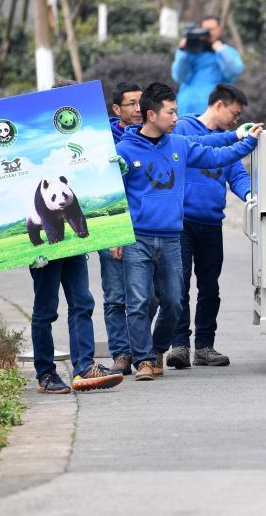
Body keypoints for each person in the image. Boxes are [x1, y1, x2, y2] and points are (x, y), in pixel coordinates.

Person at [115, 82, 262, 381]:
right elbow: (114, 197)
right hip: (137, 238)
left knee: (173, 302)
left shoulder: (179, 144)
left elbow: (215, 155)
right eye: (170, 112)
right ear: (152, 115)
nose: (175, 117)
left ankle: (158, 349)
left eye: (176, 112)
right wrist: (116, 237)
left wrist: (245, 140)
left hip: (171, 236)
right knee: (139, 302)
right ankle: (144, 360)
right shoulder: (124, 151)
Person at [29, 80, 124, 394]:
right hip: (44, 250)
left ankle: (85, 366)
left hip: (73, 247)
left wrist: (115, 166)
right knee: (46, 309)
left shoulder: (82, 141)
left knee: (82, 302)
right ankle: (45, 373)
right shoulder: (35, 142)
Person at [168, 84, 252, 369]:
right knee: (178, 285)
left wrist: (250, 196)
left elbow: (237, 174)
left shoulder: (230, 140)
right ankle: (179, 345)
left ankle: (204, 346)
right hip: (181, 222)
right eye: (234, 114)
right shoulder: (182, 128)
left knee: (209, 287)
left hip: (212, 222)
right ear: (219, 105)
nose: (236, 121)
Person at [99, 81, 144, 375]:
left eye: (142, 102)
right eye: (132, 104)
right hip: (112, 225)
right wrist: (115, 232)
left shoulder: (153, 136)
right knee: (115, 296)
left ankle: (144, 350)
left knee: (149, 296)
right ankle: (122, 353)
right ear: (117, 109)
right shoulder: (101, 140)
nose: (139, 109)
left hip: (145, 229)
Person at [171, 15, 244, 117]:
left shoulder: (227, 51)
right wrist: (183, 51)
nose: (209, 33)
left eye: (212, 29)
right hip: (187, 104)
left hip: (215, 104)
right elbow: (179, 77)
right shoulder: (191, 51)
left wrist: (221, 51)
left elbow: (235, 70)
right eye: (205, 29)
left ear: (219, 30)